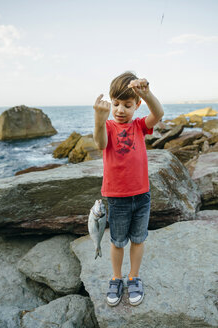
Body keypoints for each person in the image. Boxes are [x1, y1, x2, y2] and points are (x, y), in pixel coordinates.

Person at [93, 71, 164, 307]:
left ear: (137, 105)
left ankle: (133, 277)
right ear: (110, 103)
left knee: (138, 239)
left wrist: (147, 92)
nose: (120, 109)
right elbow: (100, 143)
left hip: (142, 195)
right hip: (116, 198)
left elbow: (159, 114)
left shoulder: (140, 126)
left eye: (127, 104)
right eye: (116, 104)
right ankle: (116, 277)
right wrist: (100, 118)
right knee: (117, 241)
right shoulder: (110, 127)